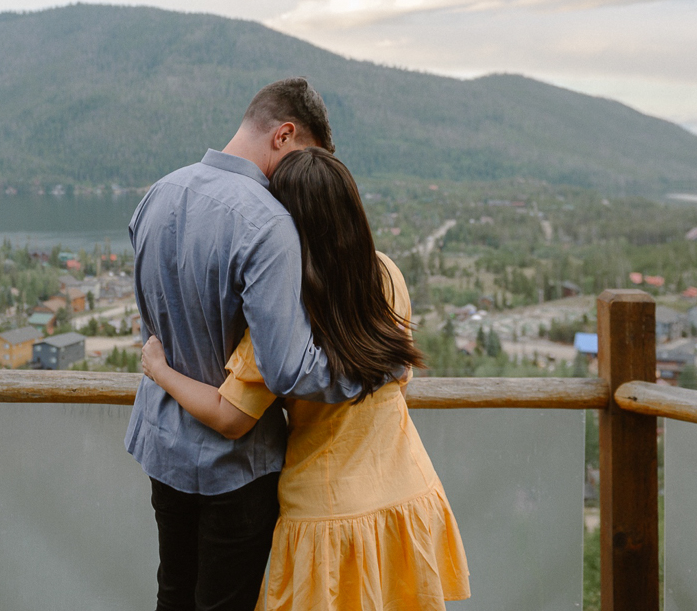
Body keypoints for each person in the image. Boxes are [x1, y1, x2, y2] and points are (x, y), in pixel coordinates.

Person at [142, 146, 470, 611]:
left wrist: (161, 370)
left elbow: (230, 417)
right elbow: (400, 376)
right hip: (407, 497)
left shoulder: (284, 314)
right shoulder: (386, 276)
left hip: (325, 515)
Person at [126, 78, 367, 611]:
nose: (307, 179)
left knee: (173, 593)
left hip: (162, 445)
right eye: (308, 159)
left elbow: (152, 320)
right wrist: (368, 371)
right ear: (285, 135)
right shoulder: (270, 224)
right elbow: (285, 369)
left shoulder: (157, 194)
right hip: (236, 468)